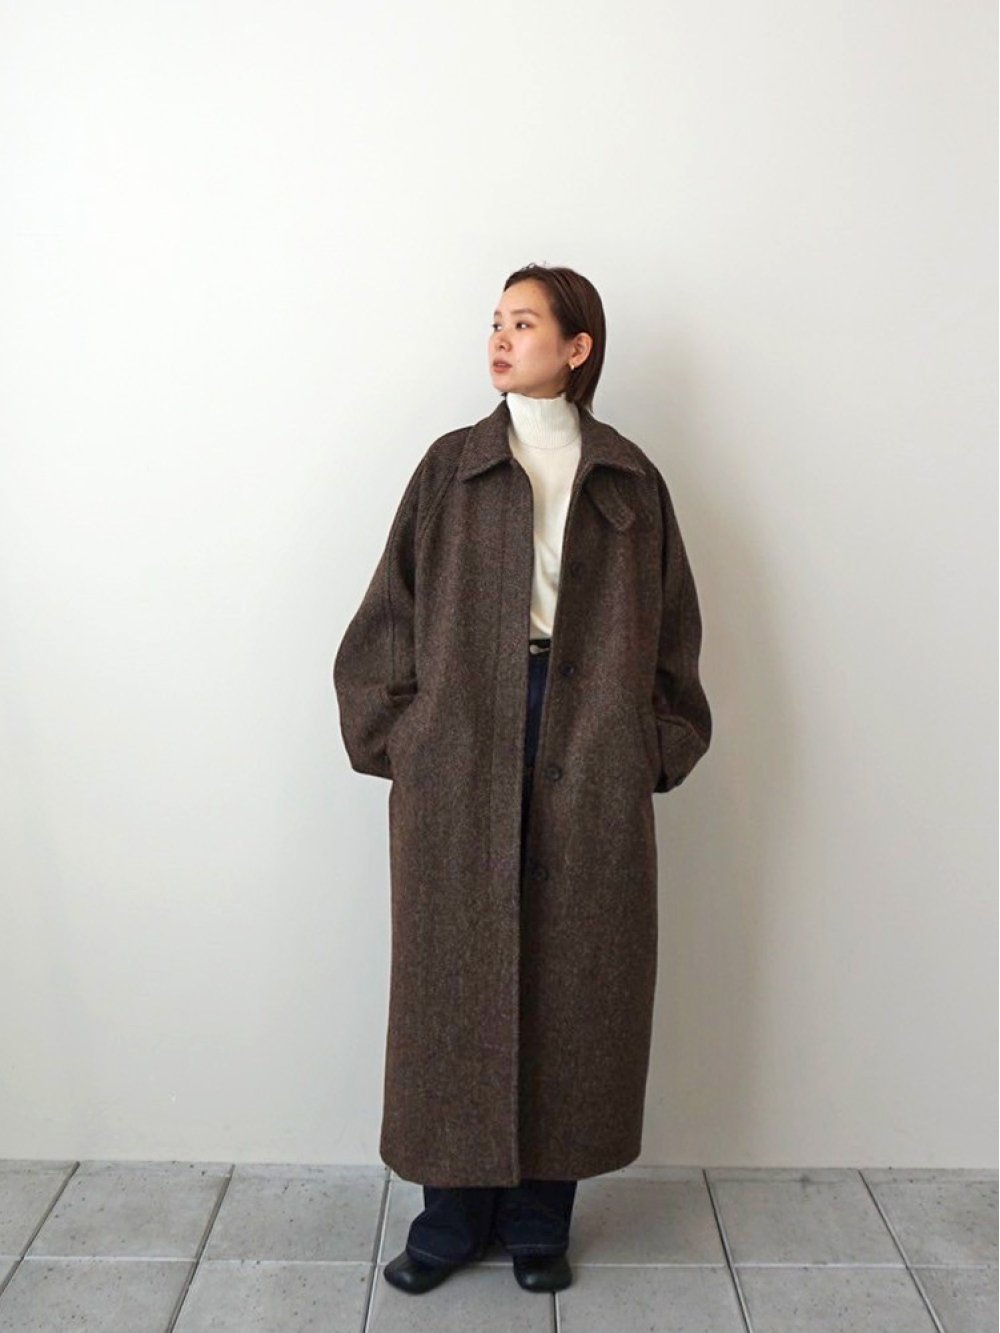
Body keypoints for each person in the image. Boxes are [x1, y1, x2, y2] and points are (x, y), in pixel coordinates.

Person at [333, 263, 712, 1296]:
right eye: (495, 322)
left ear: (577, 348)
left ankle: (542, 1218)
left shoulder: (627, 478)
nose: (500, 338)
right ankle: (451, 1216)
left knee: (578, 976)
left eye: (525, 323)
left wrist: (655, 745)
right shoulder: (451, 468)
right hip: (463, 735)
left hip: (591, 733)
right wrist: (404, 736)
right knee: (454, 974)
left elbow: (674, 629)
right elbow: (388, 615)